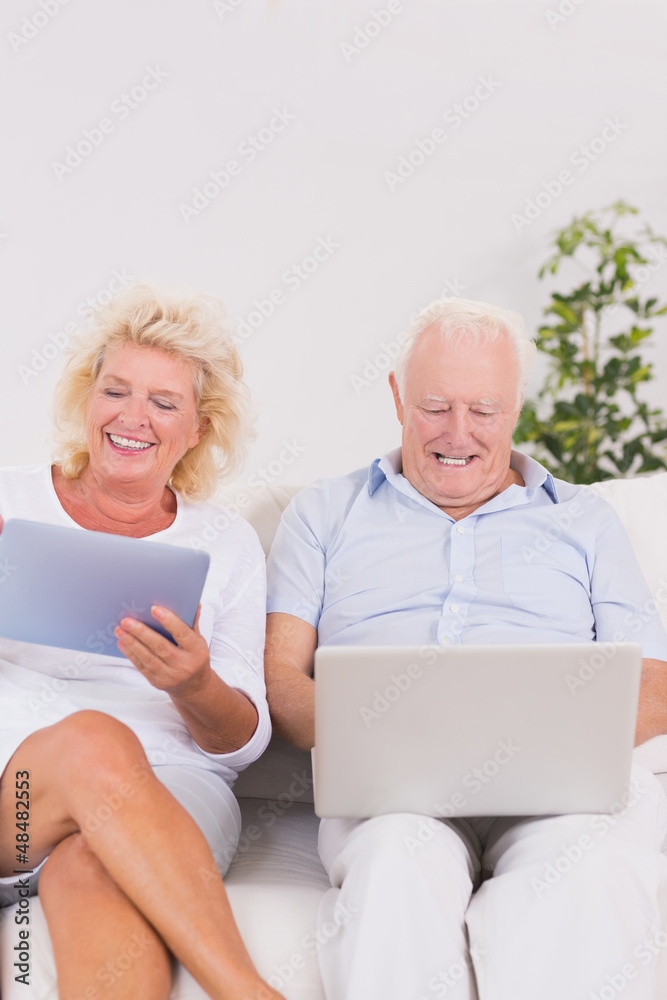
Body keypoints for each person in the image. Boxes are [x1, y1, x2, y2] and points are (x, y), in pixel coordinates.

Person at [264, 297, 667, 1000]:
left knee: (589, 869)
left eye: (483, 410)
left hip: (559, 797)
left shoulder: (584, 521)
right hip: (391, 800)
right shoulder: (324, 513)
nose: (458, 433)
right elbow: (280, 681)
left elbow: (656, 686)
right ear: (395, 397)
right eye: (434, 406)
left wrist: (536, 746)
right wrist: (382, 736)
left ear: (515, 407)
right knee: (393, 867)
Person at [0, 285, 286, 1000]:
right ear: (86, 399)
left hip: (172, 794)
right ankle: (248, 992)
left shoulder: (226, 544)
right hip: (21, 797)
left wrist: (193, 684)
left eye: (163, 403)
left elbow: (244, 741)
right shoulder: (10, 504)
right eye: (116, 391)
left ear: (197, 429)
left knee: (95, 869)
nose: (133, 418)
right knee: (93, 740)